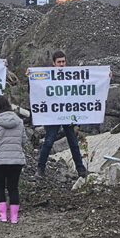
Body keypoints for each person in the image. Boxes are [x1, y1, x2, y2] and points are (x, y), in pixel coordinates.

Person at [33, 51, 88, 179]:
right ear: (53, 63)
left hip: (68, 113)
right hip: (53, 115)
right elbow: (36, 89)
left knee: (73, 142)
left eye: (63, 62)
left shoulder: (72, 75)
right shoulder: (48, 76)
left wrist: (106, 76)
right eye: (59, 62)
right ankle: (40, 169)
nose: (62, 65)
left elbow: (87, 83)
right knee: (48, 141)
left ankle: (81, 169)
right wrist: (30, 77)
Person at [0, 95, 28, 224]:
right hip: (16, 161)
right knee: (13, 188)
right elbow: (24, 140)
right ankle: (14, 218)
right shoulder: (19, 121)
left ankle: (2, 216)